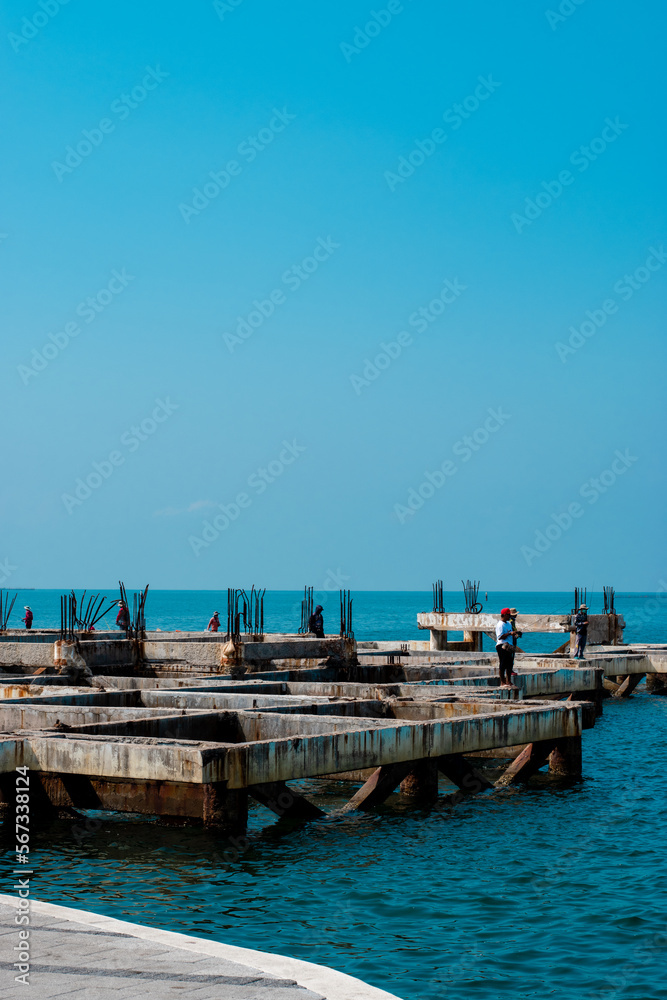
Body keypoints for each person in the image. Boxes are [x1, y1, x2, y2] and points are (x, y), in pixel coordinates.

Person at [495, 607, 518, 687]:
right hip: (502, 645)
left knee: (509, 664)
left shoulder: (508, 623)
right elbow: (500, 637)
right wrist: (510, 634)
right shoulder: (500, 625)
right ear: (504, 615)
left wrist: (515, 633)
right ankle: (502, 682)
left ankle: (508, 681)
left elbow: (510, 632)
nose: (509, 616)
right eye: (508, 615)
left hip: (509, 645)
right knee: (503, 663)